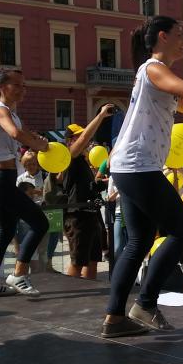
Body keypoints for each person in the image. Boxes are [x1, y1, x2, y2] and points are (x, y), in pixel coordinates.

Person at [103, 16, 183, 338]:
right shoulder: (153, 68)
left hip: (132, 165)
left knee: (139, 242)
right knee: (182, 231)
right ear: (163, 37)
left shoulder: (157, 74)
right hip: (138, 165)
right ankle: (145, 303)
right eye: (180, 35)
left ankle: (115, 318)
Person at [0, 68, 50, 299]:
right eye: (17, 85)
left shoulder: (10, 113)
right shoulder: (0, 110)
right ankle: (18, 274)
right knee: (40, 223)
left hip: (2, 179)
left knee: (5, 231)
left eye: (24, 85)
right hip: (0, 179)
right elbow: (15, 133)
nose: (22, 89)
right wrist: (37, 144)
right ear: (1, 87)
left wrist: (36, 139)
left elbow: (21, 132)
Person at [60, 106, 115, 280]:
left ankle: (89, 292)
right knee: (78, 262)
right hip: (77, 215)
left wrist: (98, 185)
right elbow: (85, 138)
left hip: (91, 214)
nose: (86, 138)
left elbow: (85, 187)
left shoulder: (83, 162)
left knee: (92, 261)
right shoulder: (70, 156)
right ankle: (72, 293)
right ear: (70, 141)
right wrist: (101, 115)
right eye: (79, 136)